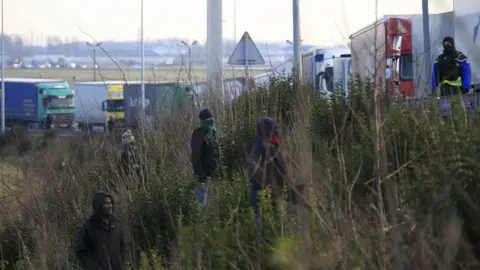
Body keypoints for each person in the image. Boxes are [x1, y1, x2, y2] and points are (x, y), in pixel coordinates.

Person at [248, 117, 308, 237]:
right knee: (300, 216)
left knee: (261, 233)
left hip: (258, 197)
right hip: (270, 199)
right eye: (275, 131)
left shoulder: (256, 147)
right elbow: (281, 175)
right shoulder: (269, 148)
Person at [75, 191, 128, 270]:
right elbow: (81, 253)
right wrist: (96, 268)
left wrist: (125, 263)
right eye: (106, 203)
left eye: (110, 203)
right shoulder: (89, 227)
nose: (110, 206)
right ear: (98, 206)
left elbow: (124, 245)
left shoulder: (117, 224)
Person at [190, 108, 220, 206]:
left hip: (213, 176)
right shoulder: (198, 134)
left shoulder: (213, 133)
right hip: (204, 178)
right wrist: (201, 177)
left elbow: (215, 154)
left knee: (212, 208)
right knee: (201, 207)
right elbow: (195, 156)